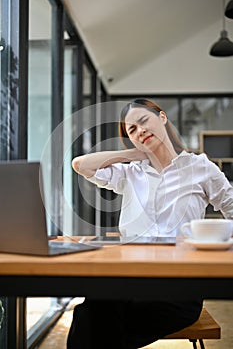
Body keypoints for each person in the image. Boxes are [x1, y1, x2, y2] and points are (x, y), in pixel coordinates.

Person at [67, 98, 233, 349]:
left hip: (180, 286)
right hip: (132, 276)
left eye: (143, 121)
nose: (140, 130)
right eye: (132, 130)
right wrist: (133, 153)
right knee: (99, 307)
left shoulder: (200, 167)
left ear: (163, 118)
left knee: (94, 316)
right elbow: (80, 165)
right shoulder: (130, 172)